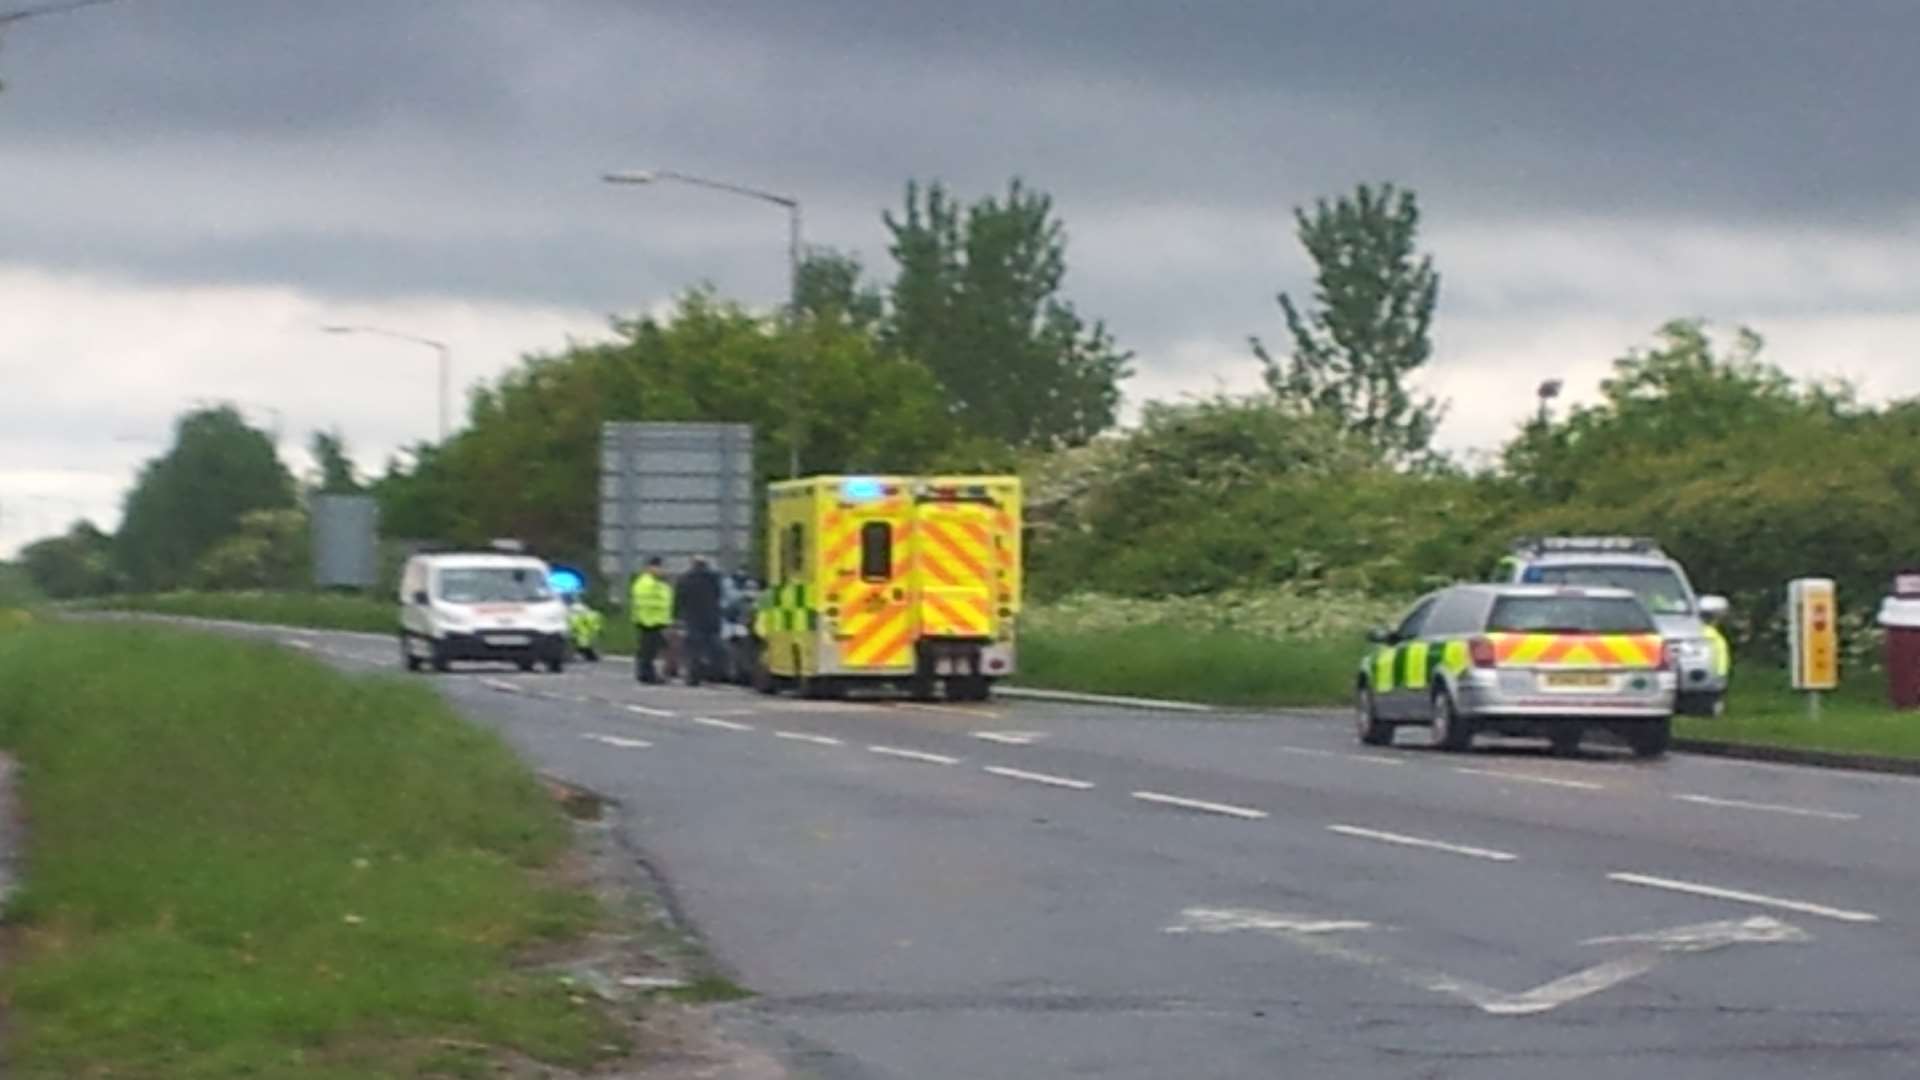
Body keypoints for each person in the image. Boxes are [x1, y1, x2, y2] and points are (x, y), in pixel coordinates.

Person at [673, 555, 725, 687]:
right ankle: (715, 675)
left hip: (693, 618)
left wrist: (676, 617)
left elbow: (679, 600)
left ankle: (694, 676)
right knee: (714, 647)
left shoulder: (685, 579)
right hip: (712, 618)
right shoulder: (714, 579)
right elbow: (719, 596)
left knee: (694, 649)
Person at [629, 557, 673, 684]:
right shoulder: (649, 583)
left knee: (649, 651)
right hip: (649, 621)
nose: (661, 570)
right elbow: (652, 602)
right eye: (658, 567)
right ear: (649, 568)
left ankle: (645, 673)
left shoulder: (656, 583)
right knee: (648, 651)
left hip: (655, 621)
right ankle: (647, 675)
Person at [566, 594, 604, 663]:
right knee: (583, 643)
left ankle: (586, 655)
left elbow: (573, 622)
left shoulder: (574, 610)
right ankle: (587, 654)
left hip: (580, 630)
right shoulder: (585, 610)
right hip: (584, 630)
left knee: (582, 643)